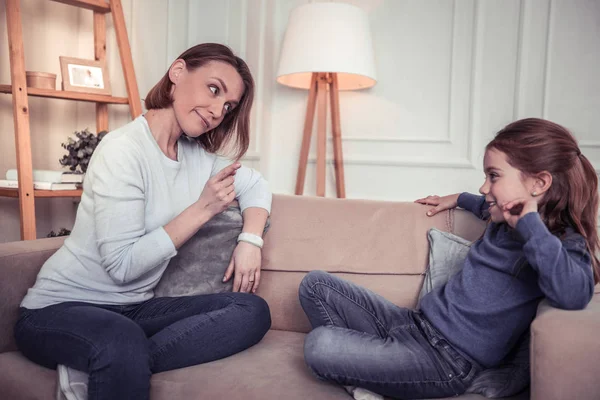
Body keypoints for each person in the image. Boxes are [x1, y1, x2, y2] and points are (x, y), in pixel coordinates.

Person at [14, 43, 272, 400]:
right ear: (177, 73)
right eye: (214, 90)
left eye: (228, 106)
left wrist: (251, 241)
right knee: (121, 339)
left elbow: (255, 185)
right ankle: (113, 356)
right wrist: (203, 208)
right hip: (60, 309)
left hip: (134, 309)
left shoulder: (197, 158)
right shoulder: (123, 150)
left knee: (251, 310)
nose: (217, 111)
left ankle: (103, 362)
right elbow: (122, 266)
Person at [299, 118, 599, 399]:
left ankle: (375, 376)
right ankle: (374, 372)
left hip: (448, 361)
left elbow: (572, 293)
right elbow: (481, 202)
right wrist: (457, 198)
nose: (484, 187)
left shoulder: (561, 242)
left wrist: (531, 225)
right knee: (314, 284)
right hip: (415, 324)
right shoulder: (501, 217)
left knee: (319, 344)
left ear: (538, 184)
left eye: (493, 176)